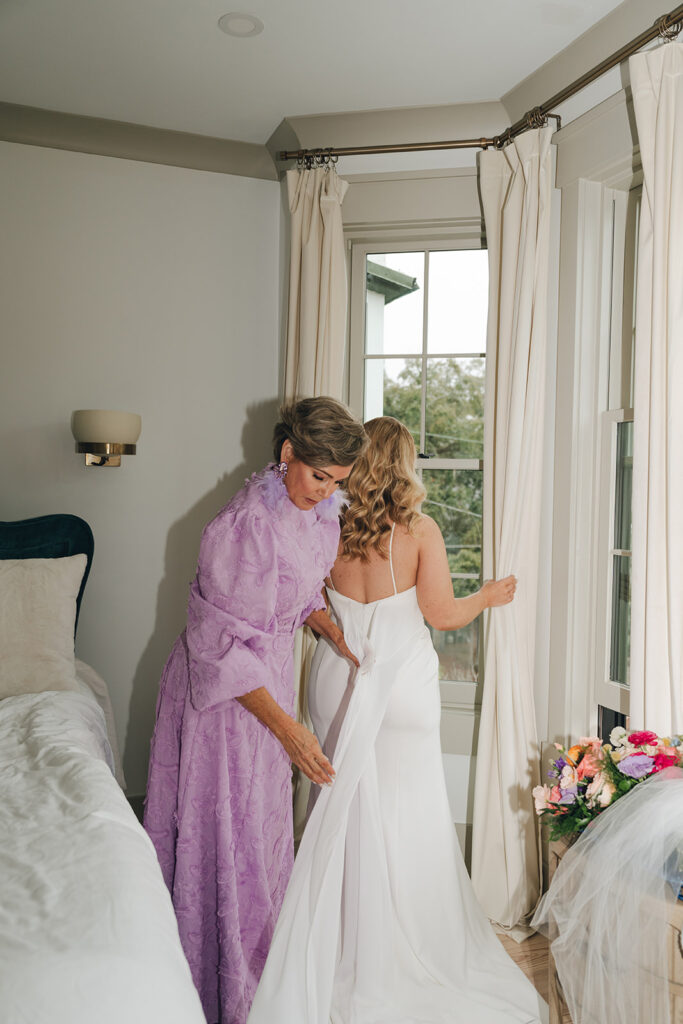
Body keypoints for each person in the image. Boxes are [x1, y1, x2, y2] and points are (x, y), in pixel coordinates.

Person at [247, 416, 545, 1024]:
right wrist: (486, 597)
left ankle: (342, 945)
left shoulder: (325, 523)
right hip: (403, 691)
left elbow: (304, 604)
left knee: (346, 814)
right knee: (409, 819)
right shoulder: (417, 529)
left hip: (337, 681)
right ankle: (403, 945)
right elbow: (439, 614)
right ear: (405, 462)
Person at [143, 397, 367, 1024]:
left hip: (266, 688)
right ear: (287, 453)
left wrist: (326, 625)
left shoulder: (314, 510)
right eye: (319, 475)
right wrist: (292, 731)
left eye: (337, 482)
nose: (327, 492)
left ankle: (261, 971)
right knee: (227, 834)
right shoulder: (241, 528)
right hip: (220, 700)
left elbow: (291, 595)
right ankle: (219, 988)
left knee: (263, 831)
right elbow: (218, 647)